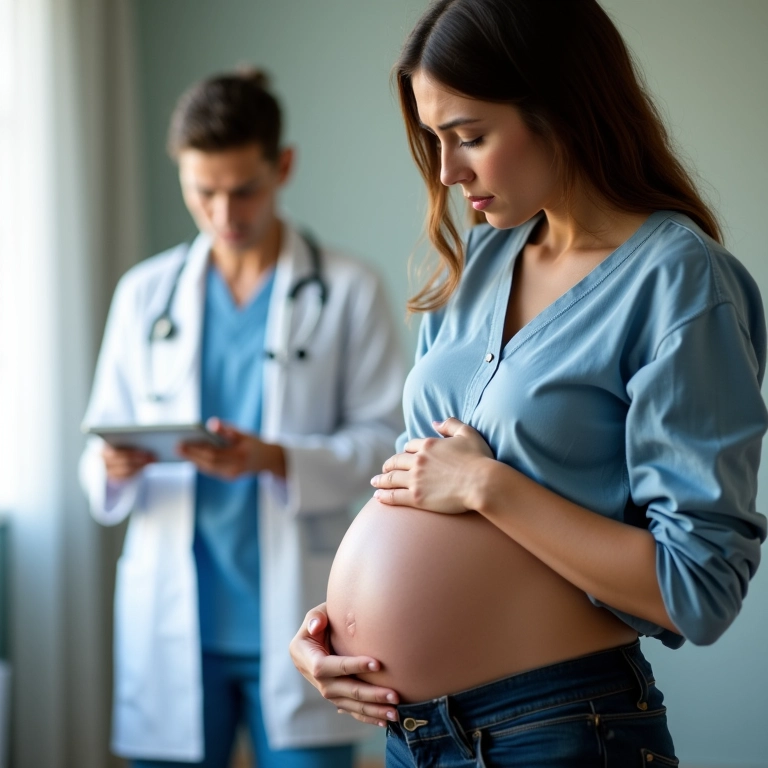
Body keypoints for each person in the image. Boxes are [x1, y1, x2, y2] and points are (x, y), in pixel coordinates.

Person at [289, 1, 768, 765]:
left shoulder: (679, 283)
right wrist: (334, 630)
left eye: (470, 136)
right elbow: (425, 494)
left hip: (557, 731)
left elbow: (699, 589)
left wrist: (490, 487)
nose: (447, 172)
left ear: (564, 109)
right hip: (412, 734)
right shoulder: (481, 262)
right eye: (435, 140)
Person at [79, 69, 405, 768]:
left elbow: (387, 444)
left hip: (300, 614)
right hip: (177, 618)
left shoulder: (348, 289)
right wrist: (111, 464)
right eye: (203, 191)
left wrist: (277, 459)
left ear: (282, 167)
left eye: (244, 189)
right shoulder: (144, 295)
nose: (224, 212)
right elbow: (98, 443)